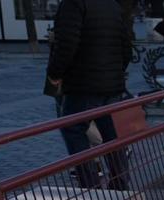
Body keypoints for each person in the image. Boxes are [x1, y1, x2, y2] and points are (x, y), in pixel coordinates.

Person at [46, 0, 132, 189]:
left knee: (73, 129)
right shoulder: (112, 5)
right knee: (113, 137)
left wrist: (54, 73)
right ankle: (120, 185)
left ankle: (90, 185)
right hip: (112, 86)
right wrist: (115, 73)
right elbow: (126, 47)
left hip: (82, 85)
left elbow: (66, 45)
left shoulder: (73, 4)